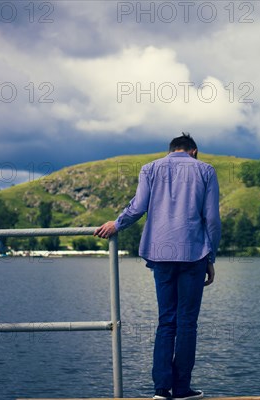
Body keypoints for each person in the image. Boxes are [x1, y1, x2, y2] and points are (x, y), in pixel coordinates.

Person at [94, 133, 221, 400]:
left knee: (166, 321)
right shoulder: (206, 171)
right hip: (193, 254)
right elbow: (211, 218)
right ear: (194, 152)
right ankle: (182, 389)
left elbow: (138, 207)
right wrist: (211, 257)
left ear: (171, 151)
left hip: (161, 253)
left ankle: (161, 390)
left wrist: (116, 224)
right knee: (187, 323)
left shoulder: (150, 169)